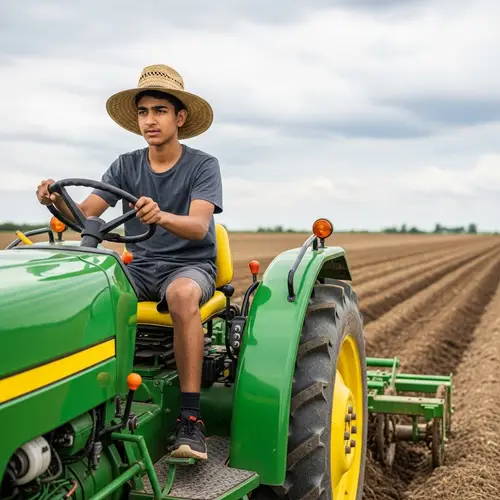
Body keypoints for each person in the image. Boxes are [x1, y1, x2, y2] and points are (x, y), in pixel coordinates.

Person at [36, 64, 223, 461]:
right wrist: (55, 200)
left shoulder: (203, 165)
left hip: (188, 265)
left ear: (180, 117)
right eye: (143, 112)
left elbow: (198, 226)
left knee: (183, 295)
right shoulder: (126, 164)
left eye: (159, 110)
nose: (149, 120)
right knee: (85, 286)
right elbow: (86, 214)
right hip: (139, 265)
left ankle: (190, 420)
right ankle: (79, 400)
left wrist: (162, 216)